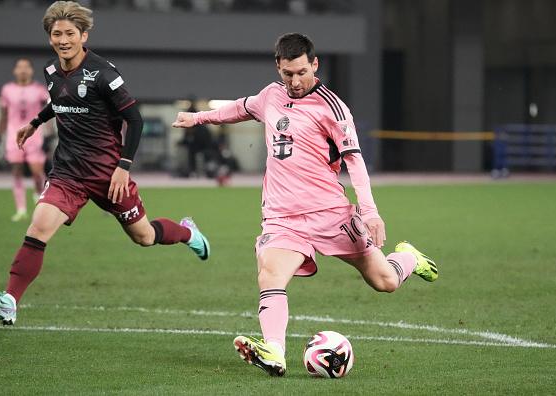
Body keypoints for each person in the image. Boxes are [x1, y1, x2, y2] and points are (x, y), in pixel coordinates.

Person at [172, 33, 438, 377]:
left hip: (331, 214)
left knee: (384, 280)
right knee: (270, 273)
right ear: (278, 68)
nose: (295, 82)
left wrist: (369, 211)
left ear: (315, 64)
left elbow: (355, 162)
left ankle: (409, 258)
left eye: (301, 72)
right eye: (287, 74)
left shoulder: (334, 108)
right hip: (283, 217)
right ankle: (275, 352)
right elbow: (241, 107)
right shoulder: (271, 96)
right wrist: (199, 119)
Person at [0, 1, 210, 326]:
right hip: (68, 173)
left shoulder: (103, 73)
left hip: (109, 174)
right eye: (56, 34)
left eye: (69, 33)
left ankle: (187, 233)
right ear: (50, 37)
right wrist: (34, 123)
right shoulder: (49, 70)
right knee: (38, 227)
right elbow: (59, 100)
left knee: (143, 237)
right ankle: (10, 301)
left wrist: (123, 165)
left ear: (83, 35)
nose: (63, 40)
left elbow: (135, 119)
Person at [0, 58, 49, 222]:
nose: (23, 70)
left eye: (26, 67)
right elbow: (4, 115)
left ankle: (40, 198)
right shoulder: (7, 89)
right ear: (15, 71)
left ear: (32, 71)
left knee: (37, 172)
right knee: (16, 172)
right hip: (13, 136)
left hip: (35, 135)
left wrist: (49, 135)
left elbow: (50, 111)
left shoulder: (40, 90)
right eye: (20, 67)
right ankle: (21, 209)